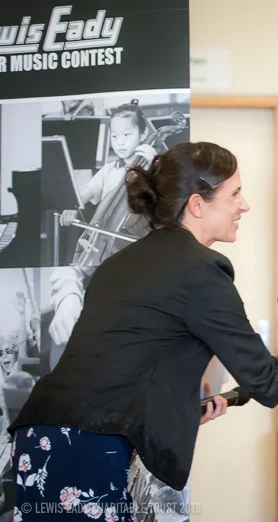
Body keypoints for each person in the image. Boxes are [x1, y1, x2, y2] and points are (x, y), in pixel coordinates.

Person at [8, 141, 278, 522]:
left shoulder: (120, 263)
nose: (244, 205)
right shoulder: (201, 271)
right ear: (197, 205)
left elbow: (124, 361)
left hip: (42, 436)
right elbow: (269, 382)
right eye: (234, 194)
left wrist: (181, 406)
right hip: (90, 447)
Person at [49, 100, 159, 347]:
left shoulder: (152, 170)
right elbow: (86, 193)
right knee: (75, 274)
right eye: (115, 135)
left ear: (143, 134)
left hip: (132, 247)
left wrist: (152, 167)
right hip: (99, 242)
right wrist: (72, 206)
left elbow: (161, 202)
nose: (120, 142)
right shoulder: (109, 170)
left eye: (127, 135)